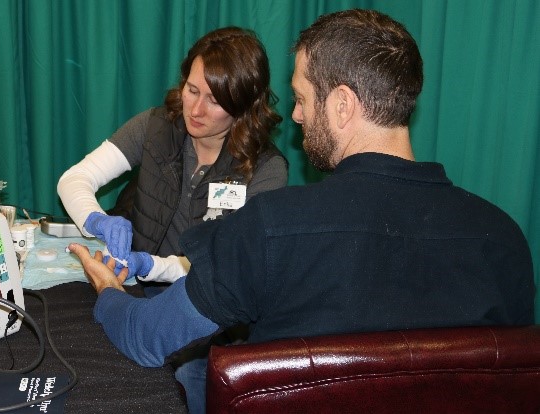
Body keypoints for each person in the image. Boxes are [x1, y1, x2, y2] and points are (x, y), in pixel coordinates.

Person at [68, 9, 536, 413]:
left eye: (301, 99)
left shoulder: (271, 228)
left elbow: (147, 340)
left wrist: (109, 292)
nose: (294, 116)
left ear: (343, 105)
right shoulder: (505, 240)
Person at [57, 26, 288, 285]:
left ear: (243, 106)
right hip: (135, 288)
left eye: (214, 100)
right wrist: (96, 220)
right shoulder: (156, 127)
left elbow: (232, 264)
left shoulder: (267, 169)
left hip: (207, 307)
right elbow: (75, 178)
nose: (196, 110)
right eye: (192, 90)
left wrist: (150, 265)